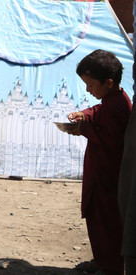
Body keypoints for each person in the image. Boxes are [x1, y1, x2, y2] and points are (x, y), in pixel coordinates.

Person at [66, 50, 131, 275]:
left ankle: (110, 266)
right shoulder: (112, 100)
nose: (88, 90)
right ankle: (102, 259)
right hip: (99, 174)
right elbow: (98, 111)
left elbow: (112, 141)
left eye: (91, 85)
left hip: (107, 178)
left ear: (109, 82)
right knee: (97, 220)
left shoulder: (118, 106)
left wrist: (84, 129)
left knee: (107, 223)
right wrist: (85, 115)